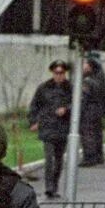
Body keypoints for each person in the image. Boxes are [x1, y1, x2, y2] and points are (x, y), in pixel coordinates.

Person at [28, 59, 72, 199]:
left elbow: (78, 104)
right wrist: (34, 121)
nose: (59, 75)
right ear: (52, 73)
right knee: (49, 159)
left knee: (59, 160)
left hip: (62, 128)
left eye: (62, 73)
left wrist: (66, 109)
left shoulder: (70, 88)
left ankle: (54, 186)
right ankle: (49, 187)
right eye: (56, 73)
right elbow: (34, 105)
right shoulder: (44, 88)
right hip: (47, 126)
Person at [80, 56, 105, 167]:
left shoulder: (88, 81)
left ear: (91, 66)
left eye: (85, 64)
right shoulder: (100, 76)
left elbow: (84, 97)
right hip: (99, 108)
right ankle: (98, 156)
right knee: (97, 133)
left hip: (89, 110)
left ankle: (89, 158)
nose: (83, 66)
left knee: (87, 133)